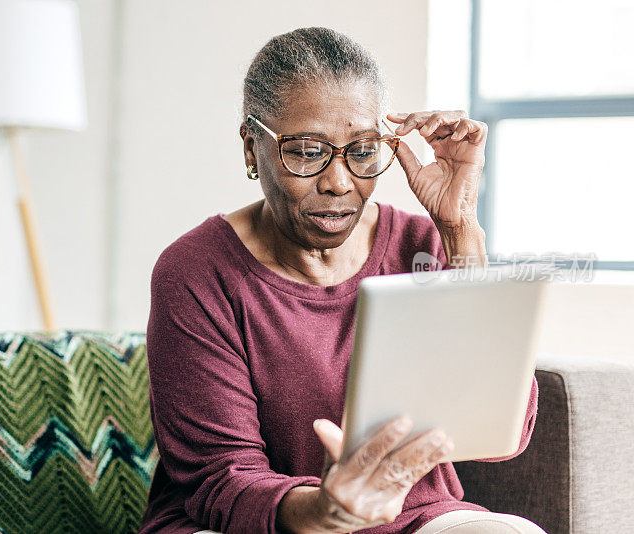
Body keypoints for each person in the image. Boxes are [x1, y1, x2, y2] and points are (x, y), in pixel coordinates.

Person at [137, 27, 545, 534]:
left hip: (406, 518)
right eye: (307, 152)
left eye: (363, 150)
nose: (339, 181)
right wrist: (329, 512)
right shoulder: (196, 272)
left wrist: (460, 230)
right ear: (250, 146)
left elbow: (503, 433)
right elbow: (221, 479)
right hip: (246, 523)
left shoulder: (420, 243)